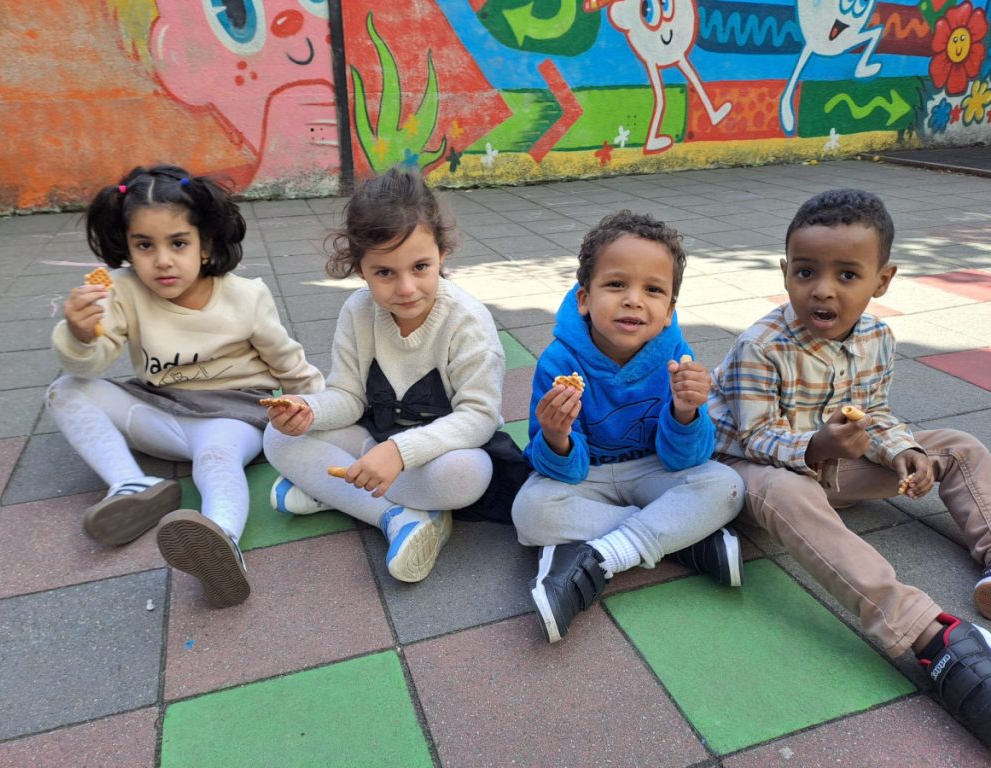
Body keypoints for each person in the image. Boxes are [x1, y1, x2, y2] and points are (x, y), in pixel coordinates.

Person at [708, 188, 991, 745]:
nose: (823, 290)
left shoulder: (878, 338)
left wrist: (902, 451)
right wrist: (817, 446)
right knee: (791, 493)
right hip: (745, 473)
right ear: (785, 272)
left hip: (829, 462)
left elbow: (874, 413)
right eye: (806, 272)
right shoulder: (759, 346)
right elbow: (754, 436)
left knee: (956, 445)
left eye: (846, 275)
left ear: (881, 281)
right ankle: (929, 635)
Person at [46, 164, 323, 608]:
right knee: (66, 390)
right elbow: (93, 363)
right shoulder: (120, 290)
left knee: (216, 458)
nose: (162, 261)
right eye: (144, 245)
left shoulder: (245, 296)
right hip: (162, 407)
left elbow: (288, 362)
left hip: (234, 414)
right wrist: (80, 335)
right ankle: (131, 485)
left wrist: (322, 411)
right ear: (127, 247)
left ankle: (221, 541)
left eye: (178, 243)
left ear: (205, 244)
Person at [512, 210, 746, 643]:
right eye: (616, 284)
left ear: (669, 310)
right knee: (530, 510)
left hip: (652, 469)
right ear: (584, 298)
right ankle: (681, 537)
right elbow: (561, 470)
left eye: (653, 290)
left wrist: (687, 412)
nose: (634, 300)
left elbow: (686, 459)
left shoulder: (677, 356)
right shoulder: (558, 361)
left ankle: (609, 553)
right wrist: (556, 436)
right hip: (588, 477)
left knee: (726, 485)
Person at [262, 167, 506, 583]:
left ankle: (334, 490)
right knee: (277, 437)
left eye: (420, 266)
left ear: (442, 254)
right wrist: (309, 410)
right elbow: (348, 397)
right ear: (361, 269)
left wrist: (399, 453)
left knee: (469, 475)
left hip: (440, 455)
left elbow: (479, 418)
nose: (406, 288)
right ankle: (401, 517)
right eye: (385, 273)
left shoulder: (467, 321)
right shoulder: (357, 311)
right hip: (373, 438)